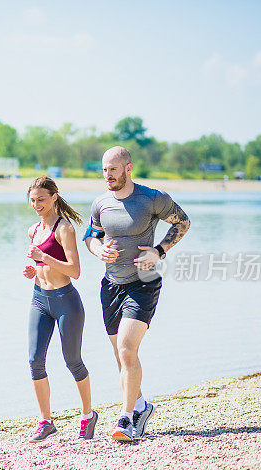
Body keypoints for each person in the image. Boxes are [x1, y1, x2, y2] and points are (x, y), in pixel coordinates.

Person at [84, 146, 190, 442]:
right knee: (122, 356)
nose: (107, 175)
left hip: (144, 281)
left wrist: (159, 251)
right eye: (104, 169)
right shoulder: (100, 203)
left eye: (113, 169)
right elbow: (92, 237)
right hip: (111, 285)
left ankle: (127, 418)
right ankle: (142, 406)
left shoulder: (152, 198)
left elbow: (183, 222)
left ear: (128, 168)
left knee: (127, 348)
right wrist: (98, 249)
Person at [23, 176, 97, 442]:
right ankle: (45, 421)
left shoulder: (64, 228)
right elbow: (42, 267)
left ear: (54, 197)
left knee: (72, 361)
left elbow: (75, 271)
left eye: (41, 199)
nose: (36, 204)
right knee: (34, 361)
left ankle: (88, 415)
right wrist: (34, 270)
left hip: (66, 301)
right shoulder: (33, 230)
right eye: (32, 200)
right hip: (39, 300)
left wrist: (44, 258)